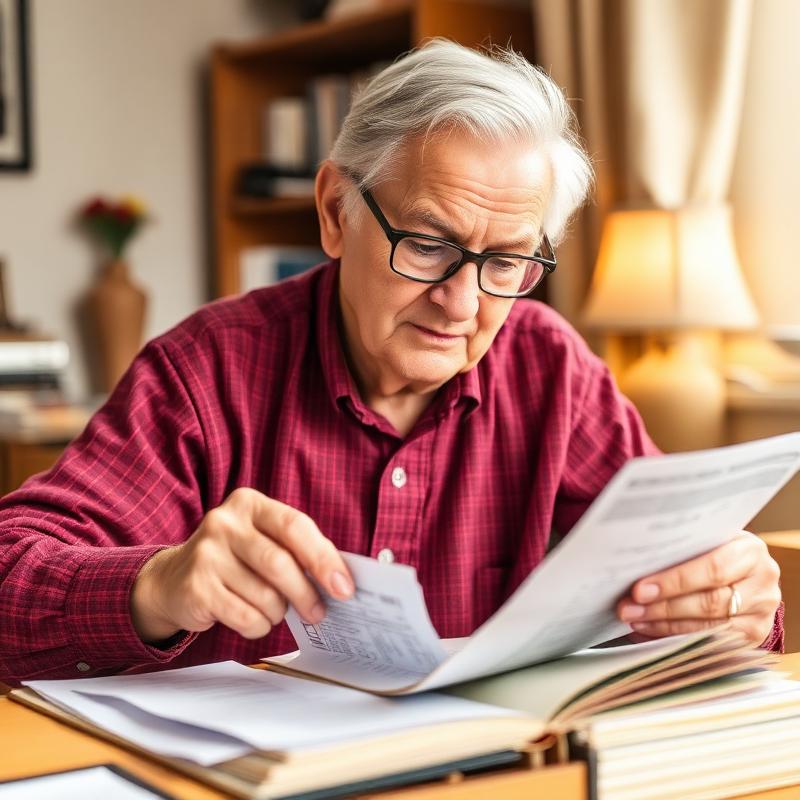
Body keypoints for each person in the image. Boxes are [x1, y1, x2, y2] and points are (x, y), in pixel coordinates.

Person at [0, 41, 781, 682]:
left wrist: (729, 602)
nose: (463, 303)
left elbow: (674, 587)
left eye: (507, 261)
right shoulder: (206, 372)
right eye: (430, 246)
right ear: (336, 212)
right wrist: (157, 585)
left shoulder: (556, 376)